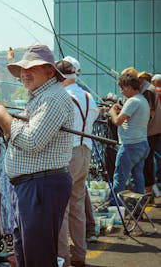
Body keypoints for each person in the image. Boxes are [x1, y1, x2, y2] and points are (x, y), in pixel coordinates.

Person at [0, 44, 75, 267]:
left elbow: (32, 141)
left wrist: (4, 117)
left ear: (50, 72)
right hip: (31, 187)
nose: (24, 73)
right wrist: (2, 118)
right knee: (26, 253)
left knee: (39, 258)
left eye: (31, 68)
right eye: (22, 69)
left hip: (41, 186)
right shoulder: (40, 98)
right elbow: (22, 137)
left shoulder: (53, 98)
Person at [56, 56, 99, 267]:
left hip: (68, 154)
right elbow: (96, 116)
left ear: (60, 77)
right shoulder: (89, 97)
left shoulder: (61, 98)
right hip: (85, 152)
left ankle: (62, 258)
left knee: (61, 209)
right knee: (78, 206)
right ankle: (79, 255)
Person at [108, 73, 150, 201]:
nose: (121, 91)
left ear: (130, 87)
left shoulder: (132, 101)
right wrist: (121, 108)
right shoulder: (142, 100)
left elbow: (117, 121)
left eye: (122, 88)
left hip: (130, 146)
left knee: (119, 177)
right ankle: (139, 207)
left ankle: (115, 207)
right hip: (142, 144)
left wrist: (112, 112)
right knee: (137, 178)